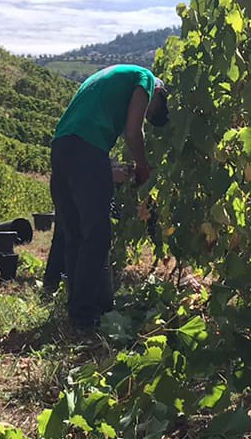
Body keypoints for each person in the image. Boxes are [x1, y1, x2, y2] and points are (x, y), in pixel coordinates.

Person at [47, 65, 170, 329]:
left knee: (75, 234)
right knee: (97, 236)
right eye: (152, 109)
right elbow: (133, 132)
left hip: (61, 146)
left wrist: (107, 168)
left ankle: (84, 308)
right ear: (157, 92)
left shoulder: (106, 79)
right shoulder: (145, 78)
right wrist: (143, 166)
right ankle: (86, 315)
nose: (148, 111)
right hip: (86, 149)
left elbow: (87, 134)